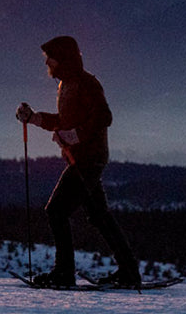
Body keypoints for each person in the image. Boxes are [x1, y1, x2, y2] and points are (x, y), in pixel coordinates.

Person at [15, 35, 140, 288]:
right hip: (84, 159)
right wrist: (34, 118)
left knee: (56, 210)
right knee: (99, 216)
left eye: (50, 59)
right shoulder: (69, 84)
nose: (47, 64)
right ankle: (128, 272)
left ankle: (64, 273)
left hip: (88, 160)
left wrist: (75, 135)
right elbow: (64, 120)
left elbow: (104, 116)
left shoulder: (86, 83)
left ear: (62, 59)